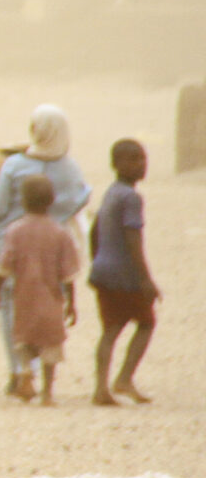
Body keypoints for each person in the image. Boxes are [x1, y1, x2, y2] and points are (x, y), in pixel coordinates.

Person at [0, 105, 91, 400]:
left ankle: (19, 372)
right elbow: (81, 199)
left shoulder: (13, 165)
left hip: (8, 241)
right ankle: (41, 375)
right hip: (52, 243)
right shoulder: (70, 168)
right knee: (47, 306)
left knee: (12, 307)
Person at [0, 174, 79, 406]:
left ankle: (25, 372)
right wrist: (72, 303)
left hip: (23, 297)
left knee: (23, 339)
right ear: (52, 200)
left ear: (23, 201)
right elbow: (69, 273)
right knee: (50, 346)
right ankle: (47, 393)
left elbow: (4, 265)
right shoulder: (60, 233)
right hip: (51, 299)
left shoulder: (15, 230)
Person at [89, 139, 160, 406]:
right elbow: (133, 239)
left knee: (111, 328)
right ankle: (124, 378)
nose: (140, 164)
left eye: (142, 158)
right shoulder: (131, 197)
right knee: (146, 323)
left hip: (103, 269)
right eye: (133, 159)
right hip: (123, 275)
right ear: (115, 164)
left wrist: (96, 259)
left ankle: (100, 388)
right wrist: (146, 278)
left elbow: (96, 228)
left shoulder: (111, 192)